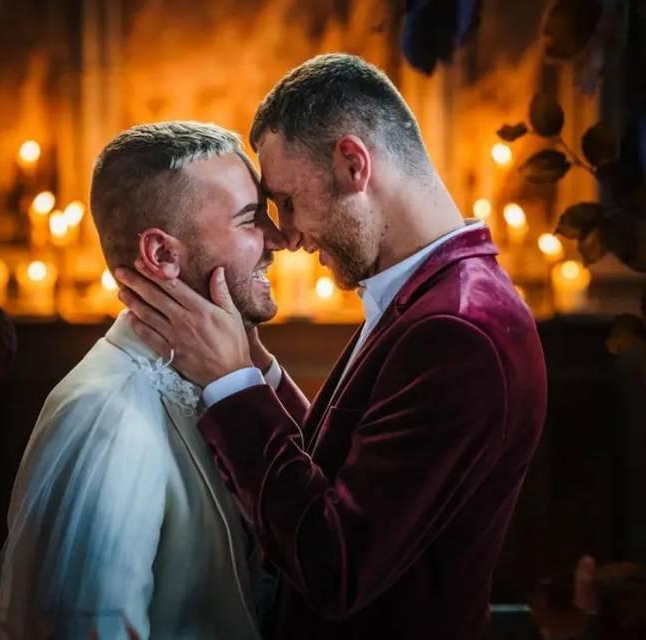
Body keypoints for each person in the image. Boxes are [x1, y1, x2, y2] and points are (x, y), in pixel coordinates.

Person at [115, 53, 548, 639]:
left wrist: (230, 385)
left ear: (352, 163)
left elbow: (336, 565)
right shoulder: (432, 295)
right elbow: (348, 471)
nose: (286, 235)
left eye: (287, 200)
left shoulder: (459, 331)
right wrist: (257, 367)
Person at [0, 121, 305, 640]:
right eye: (249, 220)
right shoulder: (106, 420)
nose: (279, 239)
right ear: (161, 256)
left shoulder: (216, 380)